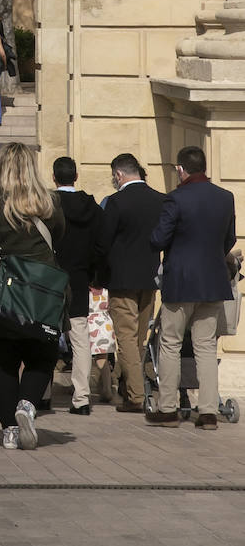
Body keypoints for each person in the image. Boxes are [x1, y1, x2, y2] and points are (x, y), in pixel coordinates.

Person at [0, 141, 66, 450]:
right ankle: (28, 405)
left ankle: (9, 429)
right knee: (42, 357)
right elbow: (59, 236)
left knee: (3, 362)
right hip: (41, 295)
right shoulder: (50, 203)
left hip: (2, 295)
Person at [147, 146, 237, 429]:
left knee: (170, 343)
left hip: (181, 281)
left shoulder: (175, 198)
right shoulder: (225, 197)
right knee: (207, 347)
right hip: (212, 281)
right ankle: (209, 412)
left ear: (180, 169)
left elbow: (159, 240)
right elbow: (229, 239)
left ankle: (168, 409)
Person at [98, 152, 165, 413]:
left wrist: (99, 275)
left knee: (125, 337)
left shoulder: (116, 203)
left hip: (122, 280)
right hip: (150, 278)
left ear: (118, 174)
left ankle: (136, 395)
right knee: (138, 337)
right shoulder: (160, 199)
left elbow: (103, 243)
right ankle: (129, 389)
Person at [51, 155, 104, 417]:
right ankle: (81, 397)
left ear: (53, 178)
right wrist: (95, 273)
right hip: (80, 276)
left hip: (49, 277)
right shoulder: (92, 208)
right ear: (76, 177)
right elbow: (100, 246)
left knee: (46, 333)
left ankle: (41, 393)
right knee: (80, 336)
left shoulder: (48, 205)